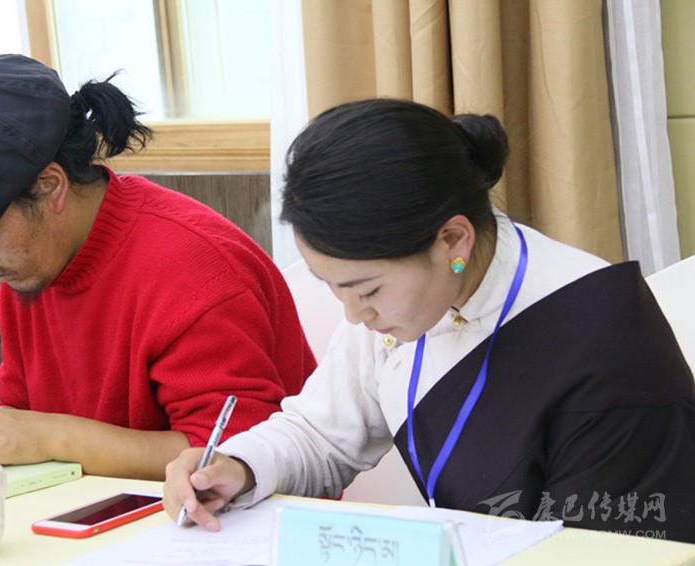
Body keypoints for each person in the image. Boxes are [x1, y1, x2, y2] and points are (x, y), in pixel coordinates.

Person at [163, 98, 695, 542]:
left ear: (452, 240)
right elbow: (321, 433)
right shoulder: (403, 302)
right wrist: (237, 466)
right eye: (332, 287)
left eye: (367, 290)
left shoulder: (603, 338)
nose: (352, 314)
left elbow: (604, 549)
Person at [0, 54, 316, 479]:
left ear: (50, 187)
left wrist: (51, 436)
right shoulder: (28, 272)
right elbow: (28, 418)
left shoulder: (191, 271)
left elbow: (230, 456)